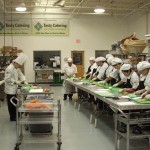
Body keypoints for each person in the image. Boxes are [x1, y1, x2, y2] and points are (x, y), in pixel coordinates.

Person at [4, 53, 28, 121]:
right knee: (11, 103)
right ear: (16, 63)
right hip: (10, 89)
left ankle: (16, 114)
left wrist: (24, 80)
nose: (19, 66)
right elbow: (7, 79)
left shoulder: (16, 67)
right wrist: (15, 81)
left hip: (14, 88)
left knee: (15, 102)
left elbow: (20, 74)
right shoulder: (9, 68)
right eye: (19, 65)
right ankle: (12, 117)